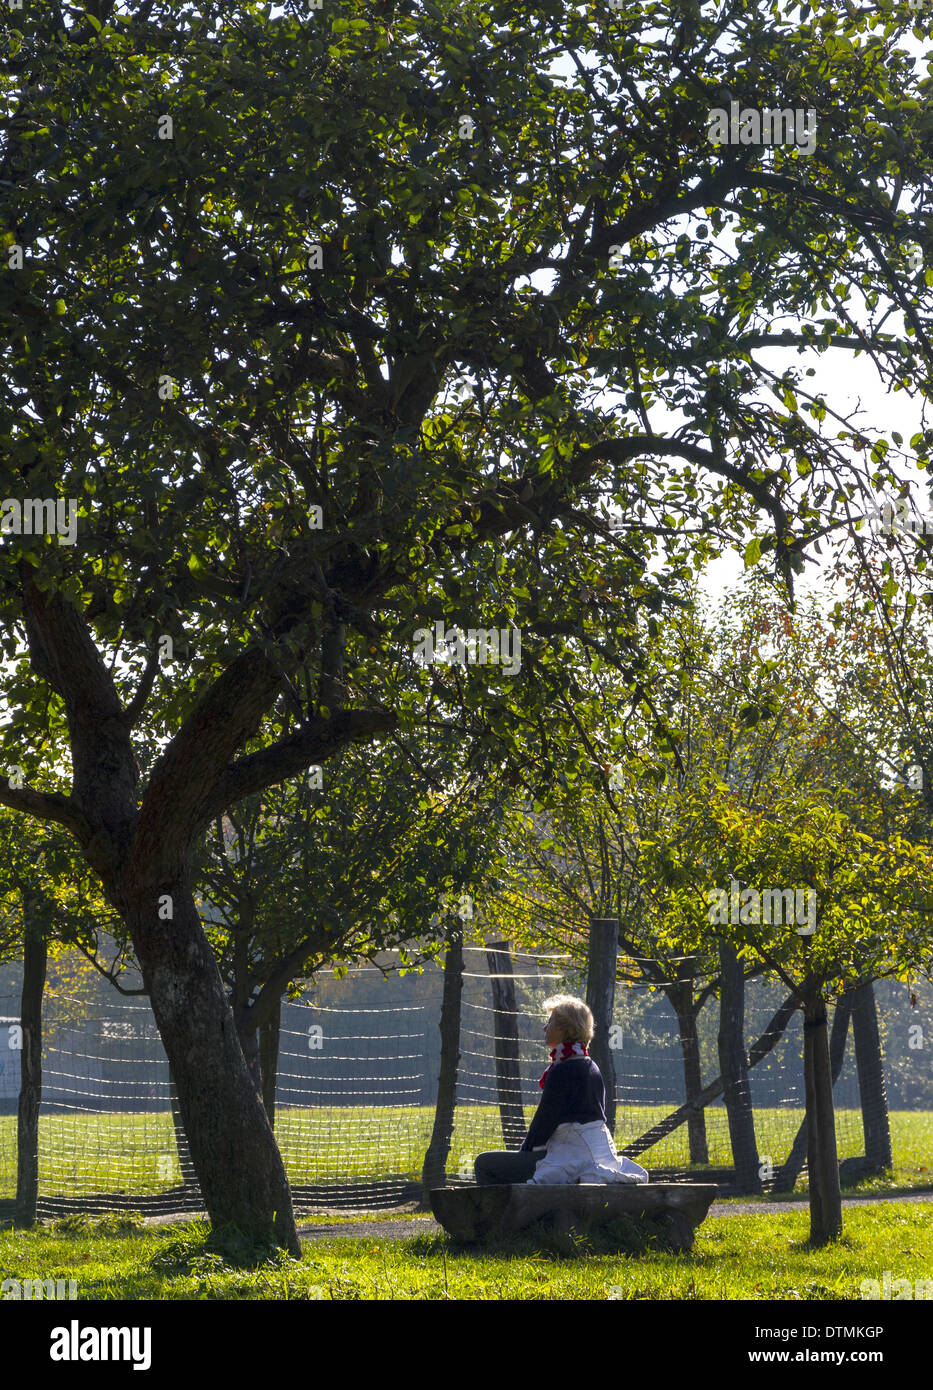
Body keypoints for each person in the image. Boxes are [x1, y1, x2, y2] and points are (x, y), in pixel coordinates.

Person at [473, 993, 649, 1186]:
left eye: (550, 1023)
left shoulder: (563, 1069)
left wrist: (523, 1154)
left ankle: (504, 1215)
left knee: (484, 1163)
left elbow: (542, 1125)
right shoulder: (591, 1066)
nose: (545, 1027)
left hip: (569, 1160)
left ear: (565, 1029)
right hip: (596, 1154)